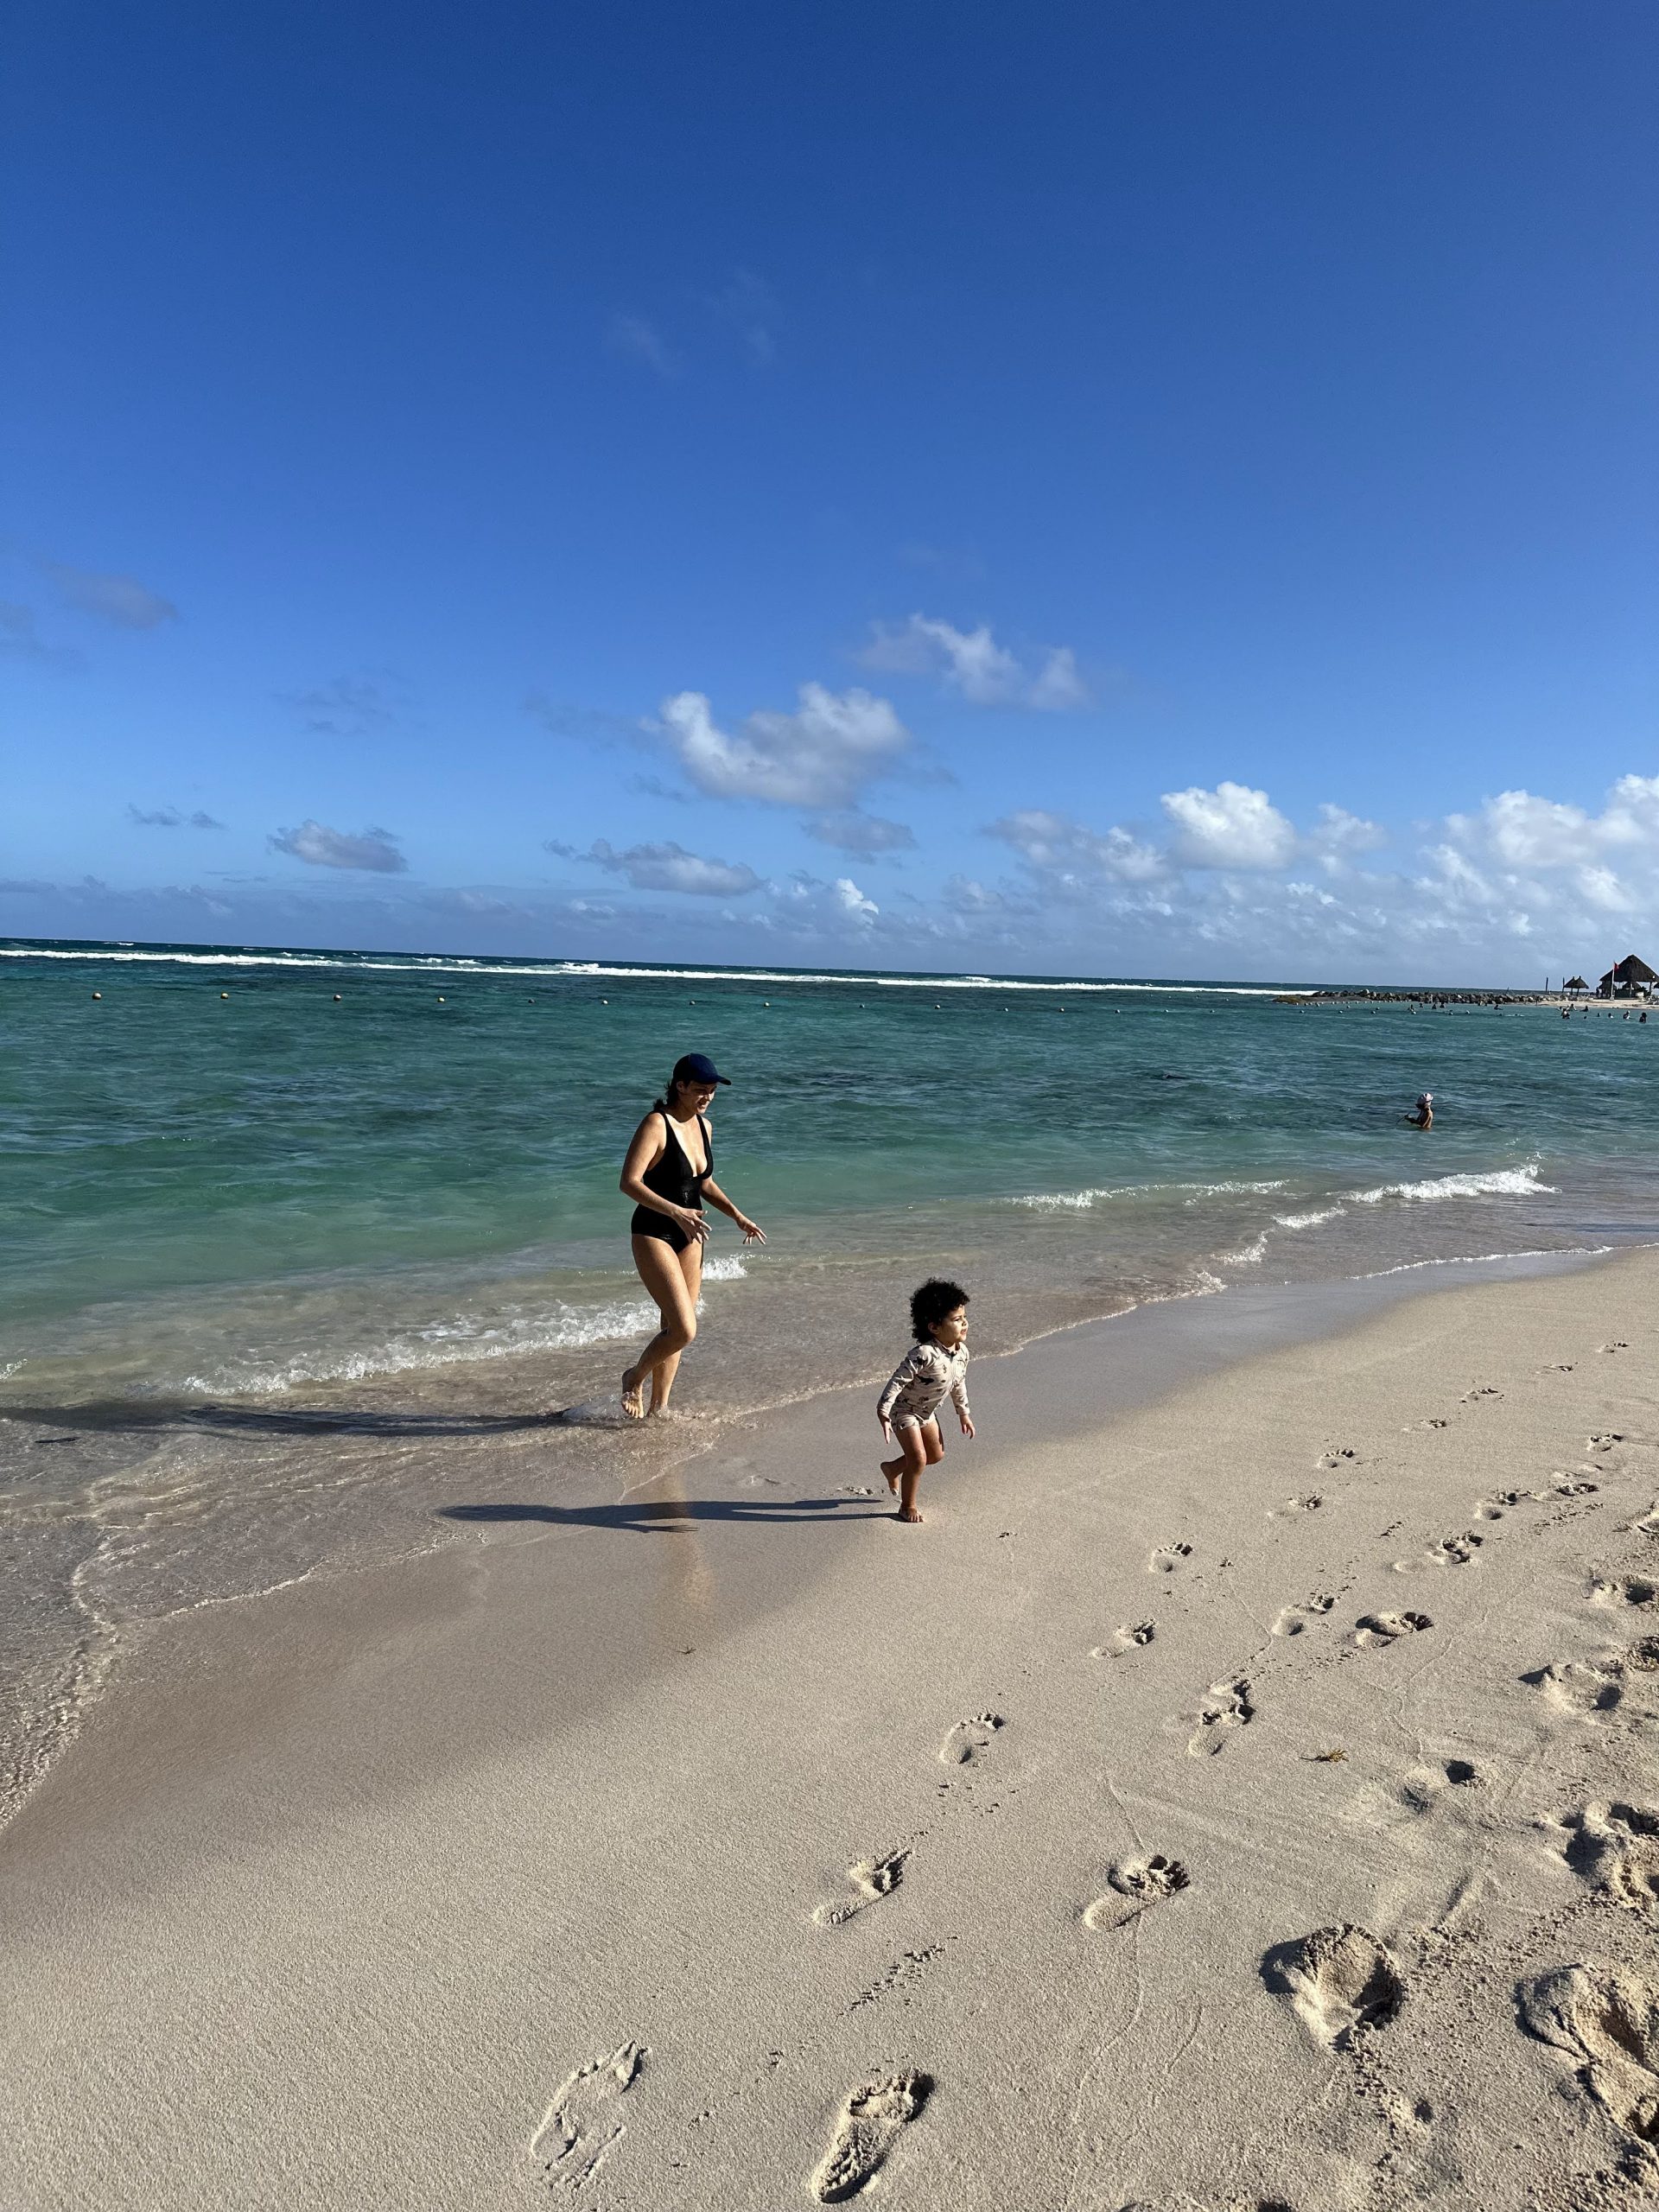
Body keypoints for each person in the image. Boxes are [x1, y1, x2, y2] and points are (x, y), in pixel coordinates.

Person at [618, 1052, 764, 1420]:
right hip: (654, 1229)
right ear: (679, 1086)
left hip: (692, 1234)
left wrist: (737, 1216)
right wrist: (676, 1211)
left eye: (712, 1091)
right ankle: (633, 1377)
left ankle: (658, 1410)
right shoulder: (656, 1123)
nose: (707, 1097)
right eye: (700, 1090)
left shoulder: (705, 1126)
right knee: (684, 1328)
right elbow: (629, 1183)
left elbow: (705, 1183)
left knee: (671, 1327)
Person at [876, 1279, 976, 1524]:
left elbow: (958, 1383)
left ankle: (892, 1468)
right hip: (904, 1411)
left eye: (964, 1317)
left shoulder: (962, 1352)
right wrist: (884, 1410)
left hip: (927, 1413)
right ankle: (907, 1505)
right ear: (934, 1327)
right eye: (956, 1319)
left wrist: (963, 1413)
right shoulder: (923, 1354)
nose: (964, 1323)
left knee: (935, 1455)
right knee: (919, 1459)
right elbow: (897, 1381)